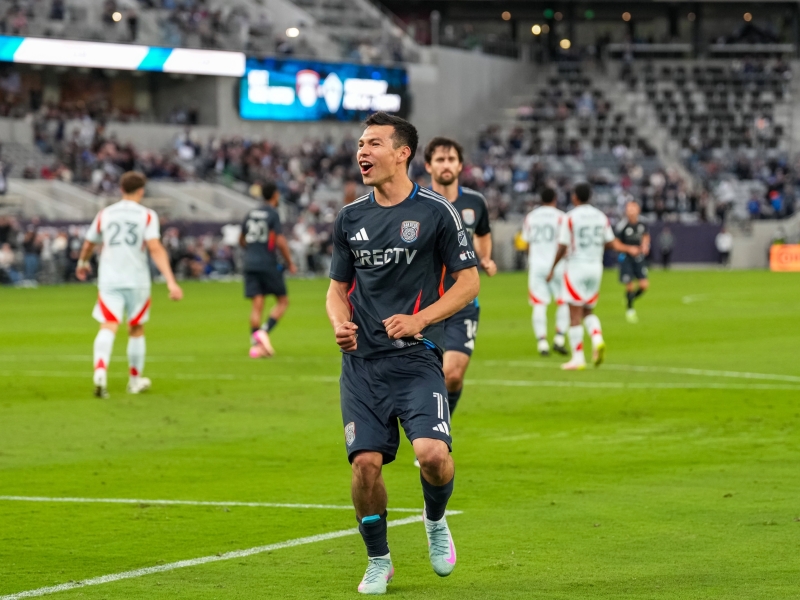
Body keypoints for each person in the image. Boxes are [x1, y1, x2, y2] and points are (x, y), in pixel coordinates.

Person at [326, 112, 480, 595]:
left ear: (402, 153)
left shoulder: (437, 212)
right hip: (362, 365)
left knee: (432, 455)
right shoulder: (350, 217)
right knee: (364, 465)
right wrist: (339, 324)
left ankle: (435, 520)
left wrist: (420, 319)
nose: (362, 152)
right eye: (360, 144)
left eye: (373, 143)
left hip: (415, 358)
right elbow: (336, 289)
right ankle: (378, 560)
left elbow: (469, 283)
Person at [76, 171, 183, 399]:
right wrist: (171, 281)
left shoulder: (105, 214)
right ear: (141, 191)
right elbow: (154, 248)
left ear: (121, 189)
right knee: (136, 327)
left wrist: (82, 263)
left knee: (108, 325)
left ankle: (100, 372)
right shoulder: (147, 215)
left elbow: (88, 244)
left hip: (109, 279)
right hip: (137, 280)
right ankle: (134, 381)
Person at [424, 136, 496, 419]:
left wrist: (485, 257)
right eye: (440, 159)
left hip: (462, 301)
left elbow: (483, 233)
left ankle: (441, 427)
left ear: (460, 165)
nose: (446, 164)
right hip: (424, 302)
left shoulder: (475, 202)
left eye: (451, 159)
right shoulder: (417, 203)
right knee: (421, 377)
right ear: (429, 165)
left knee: (452, 375)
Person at [546, 183, 640, 371]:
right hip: (596, 267)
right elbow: (610, 242)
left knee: (574, 313)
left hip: (576, 266)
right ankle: (597, 339)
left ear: (575, 197)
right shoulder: (601, 216)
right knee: (588, 310)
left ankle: (578, 358)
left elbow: (563, 245)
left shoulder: (570, 217)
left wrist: (552, 268)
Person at [240, 180, 297, 358]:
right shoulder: (272, 214)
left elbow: (241, 239)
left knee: (257, 306)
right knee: (283, 301)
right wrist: (290, 262)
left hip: (250, 263)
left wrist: (252, 250)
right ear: (275, 195)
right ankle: (263, 332)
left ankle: (256, 348)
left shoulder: (250, 213)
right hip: (267, 263)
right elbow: (279, 240)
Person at [522, 187, 569, 356]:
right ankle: (559, 338)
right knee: (563, 301)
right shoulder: (561, 217)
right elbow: (565, 244)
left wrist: (533, 259)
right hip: (558, 265)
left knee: (539, 303)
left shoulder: (531, 217)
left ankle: (542, 343)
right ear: (555, 199)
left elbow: (526, 243)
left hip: (537, 266)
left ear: (541, 199)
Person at [615, 201, 650, 323]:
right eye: (629, 208)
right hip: (626, 258)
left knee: (644, 285)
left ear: (638, 209)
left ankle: (630, 298)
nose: (631, 211)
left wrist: (645, 245)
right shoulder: (622, 225)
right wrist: (629, 249)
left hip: (639, 257)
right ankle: (630, 310)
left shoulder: (642, 224)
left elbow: (646, 236)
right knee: (629, 284)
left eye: (633, 208)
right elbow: (616, 244)